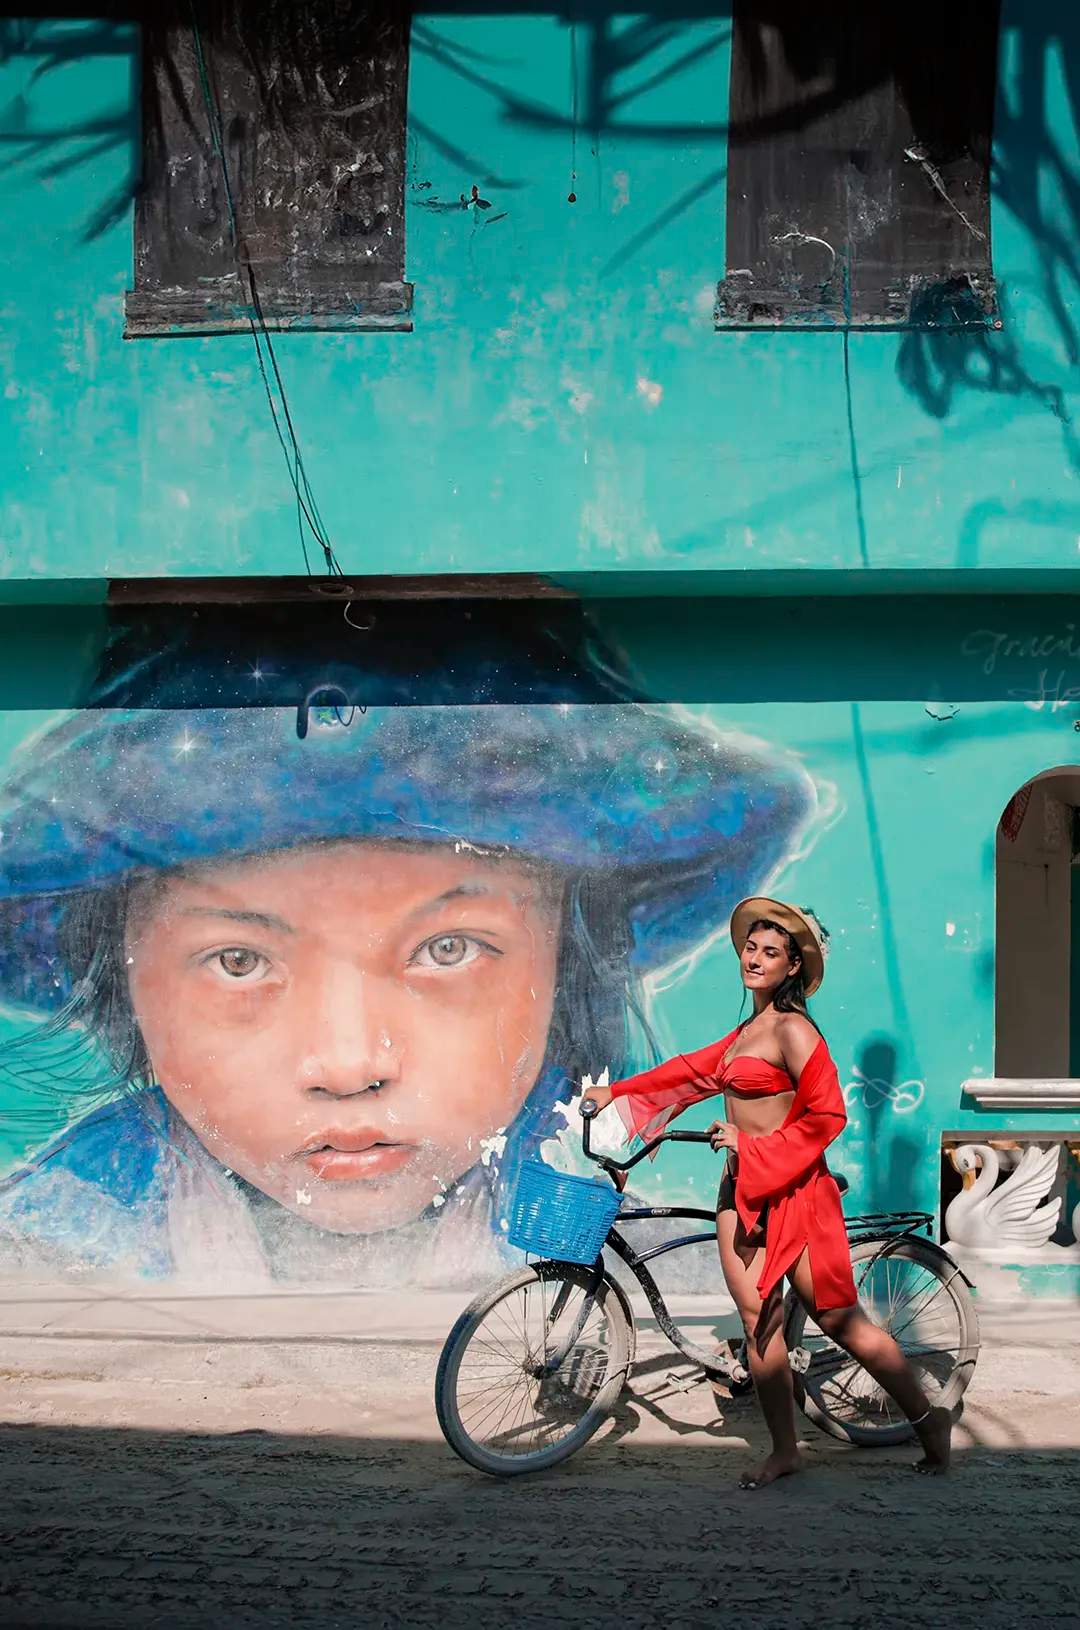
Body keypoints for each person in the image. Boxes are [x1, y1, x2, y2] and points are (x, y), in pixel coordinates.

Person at [0, 703, 817, 1284]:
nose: (350, 1066)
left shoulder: (664, 1267)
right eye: (239, 962)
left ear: (562, 965)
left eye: (448, 949)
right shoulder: (41, 1255)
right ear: (127, 985)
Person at [580, 897, 952, 1486]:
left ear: (792, 967)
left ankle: (931, 1420)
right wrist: (617, 1092)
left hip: (797, 1193)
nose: (754, 958)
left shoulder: (793, 1030)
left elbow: (827, 1116)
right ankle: (786, 1449)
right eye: (750, 948)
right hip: (740, 1192)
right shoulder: (744, 1033)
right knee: (758, 1320)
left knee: (840, 1321)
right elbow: (686, 1072)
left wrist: (750, 1144)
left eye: (770, 952)